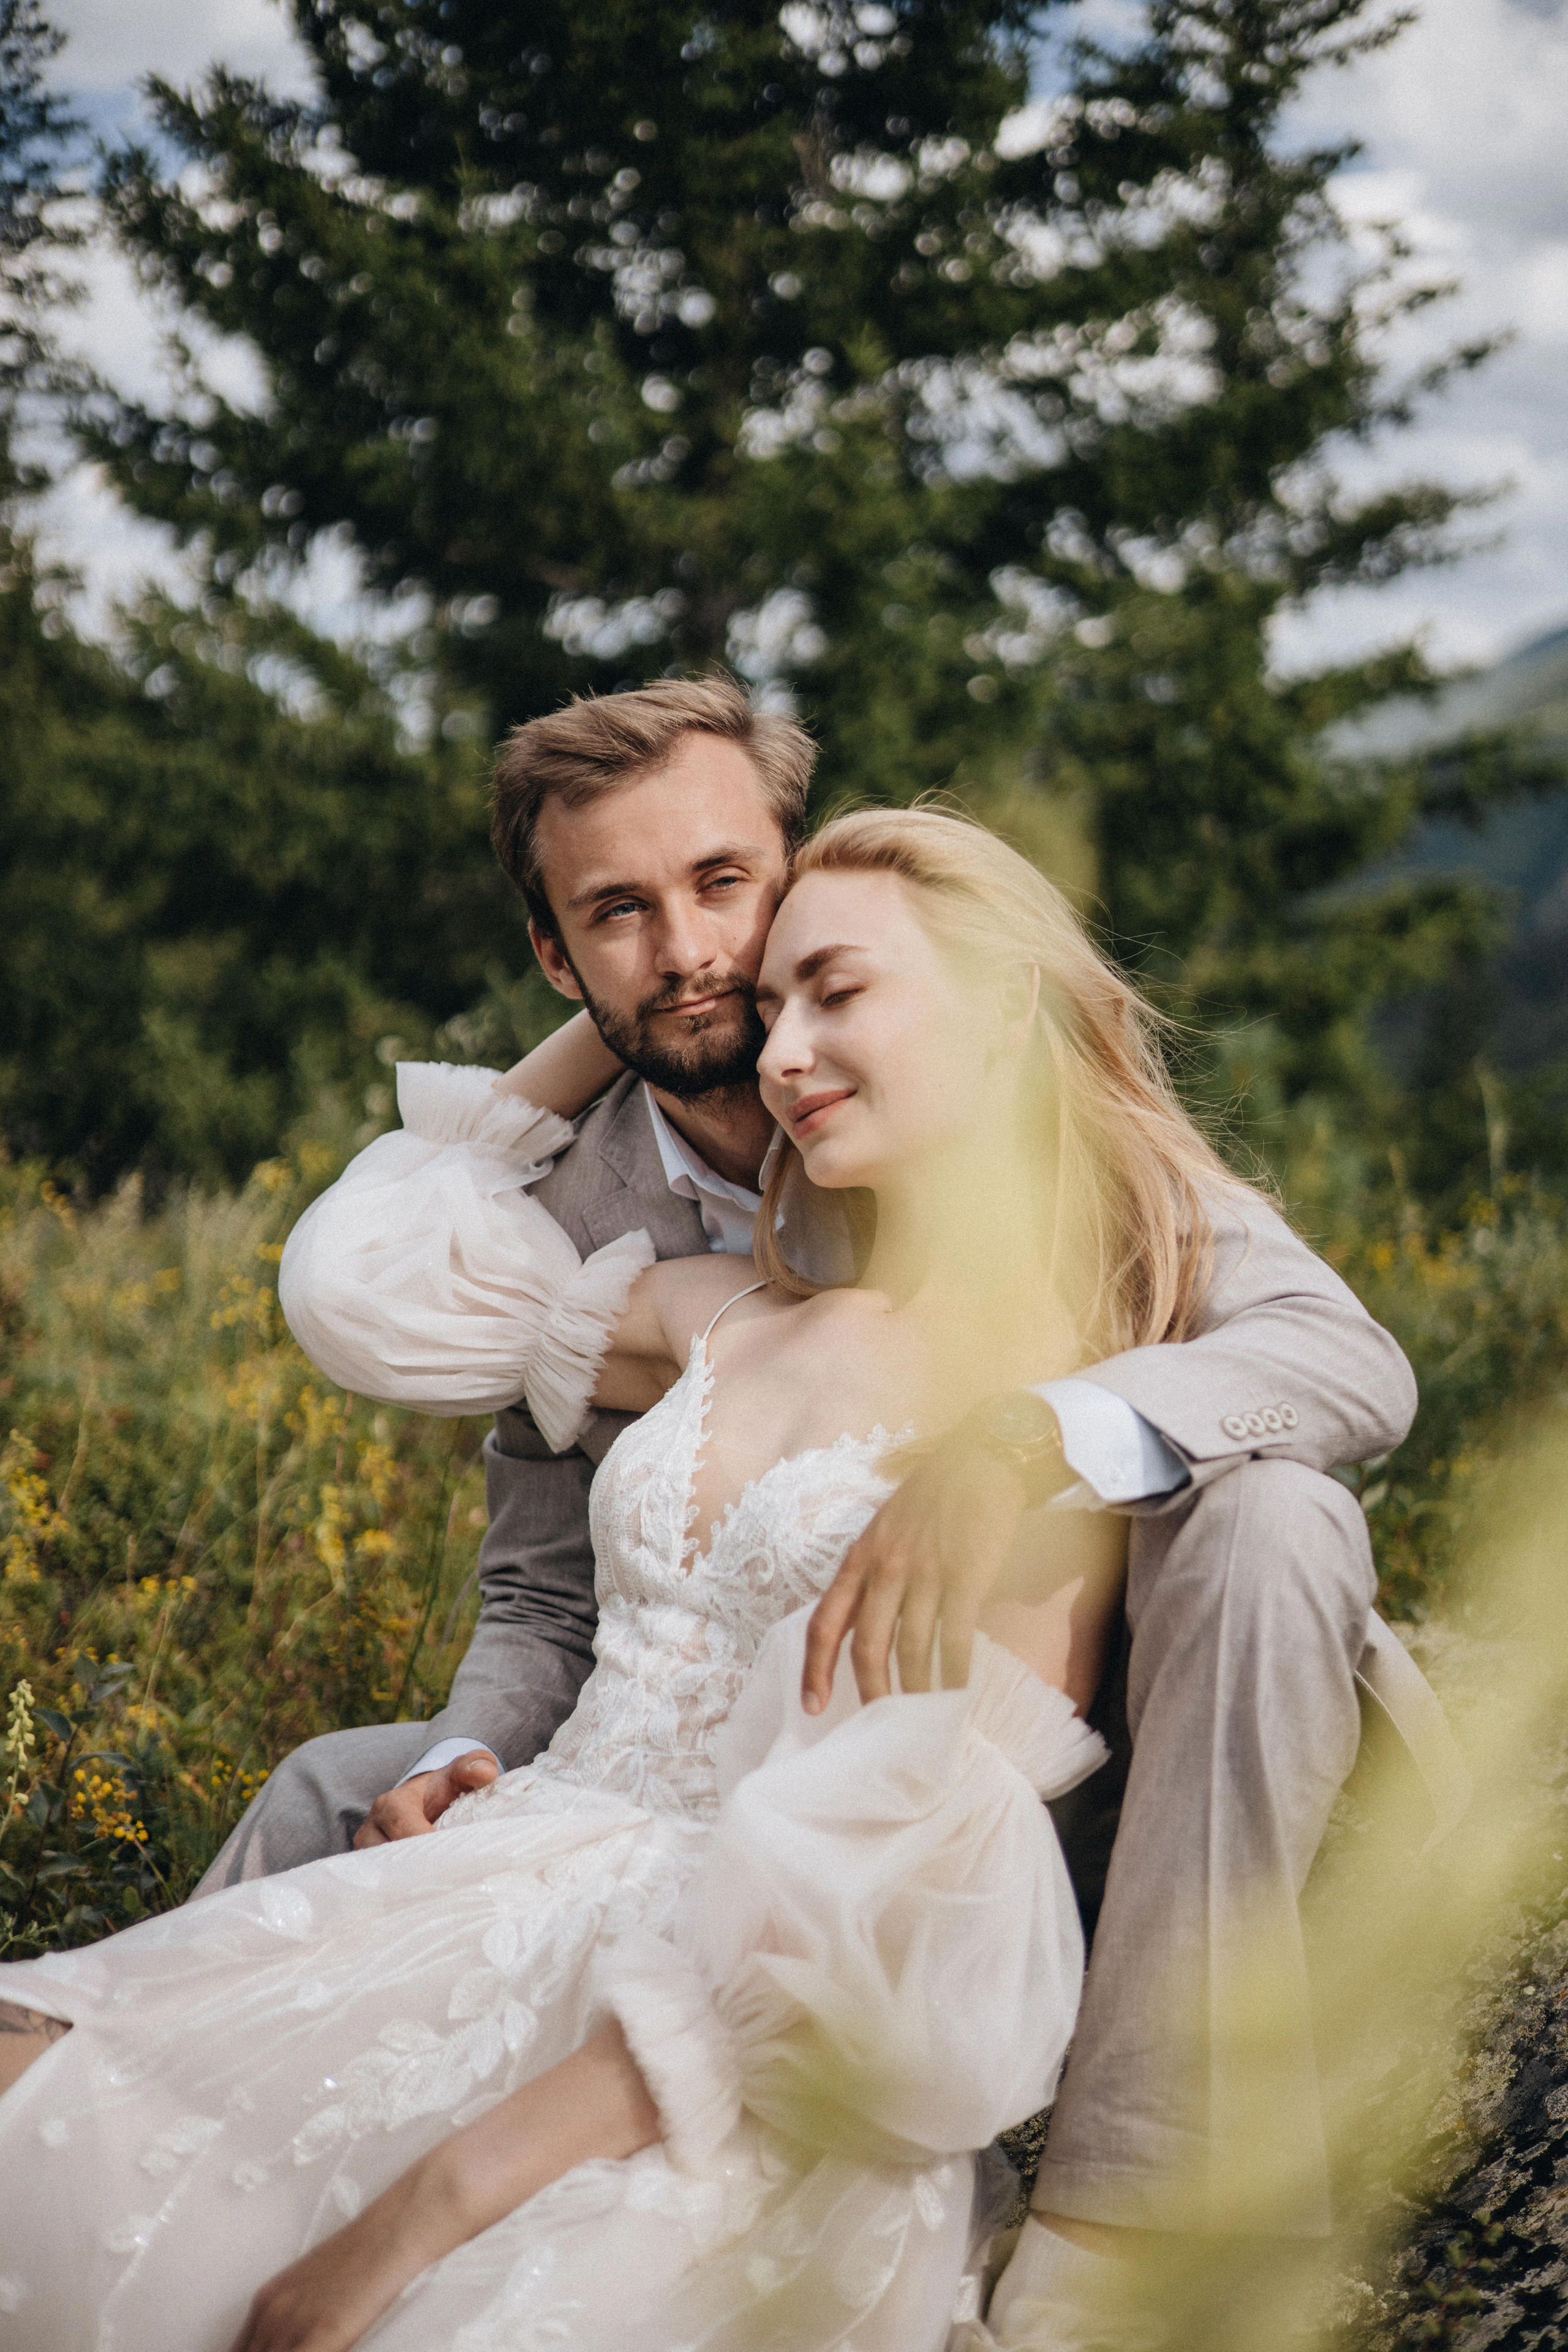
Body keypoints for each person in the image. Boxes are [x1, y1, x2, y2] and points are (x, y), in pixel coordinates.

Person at [186, 677, 1430, 2335]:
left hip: (1081, 1768)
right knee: (332, 1793)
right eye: (615, 915)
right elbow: (547, 1593)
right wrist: (455, 1764)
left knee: (1278, 1517)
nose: (694, 956)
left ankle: (1140, 2201)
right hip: (716, 1781)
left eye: (723, 885)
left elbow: (1341, 1359)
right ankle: (187, 2177)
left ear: (794, 869)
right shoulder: (578, 1216)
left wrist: (1014, 1442)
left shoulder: (1021, 1124)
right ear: (555, 959)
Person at [0, 804, 1169, 2350]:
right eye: (773, 1008)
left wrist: (420, 2213)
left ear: (1006, 1009)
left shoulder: (1061, 1427)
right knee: (37, 2074)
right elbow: (368, 1292)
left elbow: (861, 1936)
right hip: (493, 1889)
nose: (774, 1052)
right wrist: (629, 1013)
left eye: (836, 993)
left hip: (704, 2047)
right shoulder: (720, 1308)